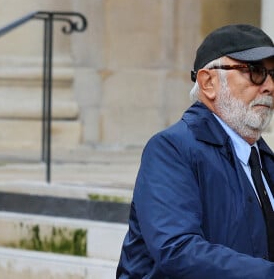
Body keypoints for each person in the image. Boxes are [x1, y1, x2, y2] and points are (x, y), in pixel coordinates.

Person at [116, 24, 274, 278]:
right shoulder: (171, 149)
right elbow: (177, 249)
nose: (269, 86)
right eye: (255, 71)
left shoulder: (263, 160)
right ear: (208, 82)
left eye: (273, 74)